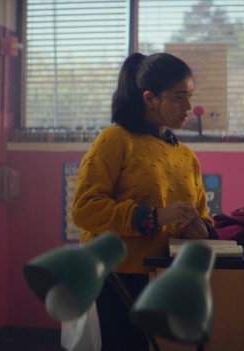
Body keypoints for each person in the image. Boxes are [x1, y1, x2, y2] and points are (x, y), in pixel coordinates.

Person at [72, 52, 215, 351]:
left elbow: (203, 215)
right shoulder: (116, 140)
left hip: (166, 276)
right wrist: (154, 217)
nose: (188, 107)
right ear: (150, 99)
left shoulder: (186, 156)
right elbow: (85, 209)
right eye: (178, 97)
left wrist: (202, 231)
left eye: (189, 96)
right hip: (118, 278)